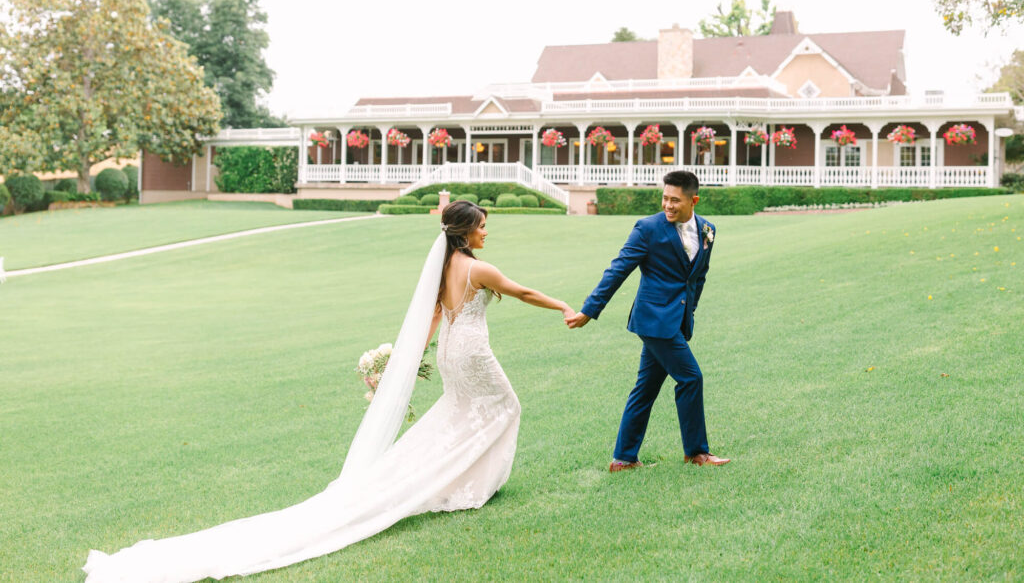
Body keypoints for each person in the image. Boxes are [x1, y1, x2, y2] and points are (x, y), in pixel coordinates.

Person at [83, 200, 574, 582]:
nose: (487, 232)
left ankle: (461, 483)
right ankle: (467, 487)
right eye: (483, 225)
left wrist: (410, 360)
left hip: (450, 351)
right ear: (466, 230)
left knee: (457, 414)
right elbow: (522, 292)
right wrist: (563, 306)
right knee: (504, 405)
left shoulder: (446, 267)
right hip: (470, 352)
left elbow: (428, 318)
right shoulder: (478, 268)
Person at [566, 170, 729, 471]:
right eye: (665, 198)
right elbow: (618, 270)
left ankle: (623, 459)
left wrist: (689, 311)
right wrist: (589, 310)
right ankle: (697, 453)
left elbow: (699, 276)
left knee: (646, 389)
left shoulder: (708, 230)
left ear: (694, 200)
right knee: (691, 377)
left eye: (675, 200)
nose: (668, 205)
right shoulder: (647, 229)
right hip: (653, 320)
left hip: (676, 320)